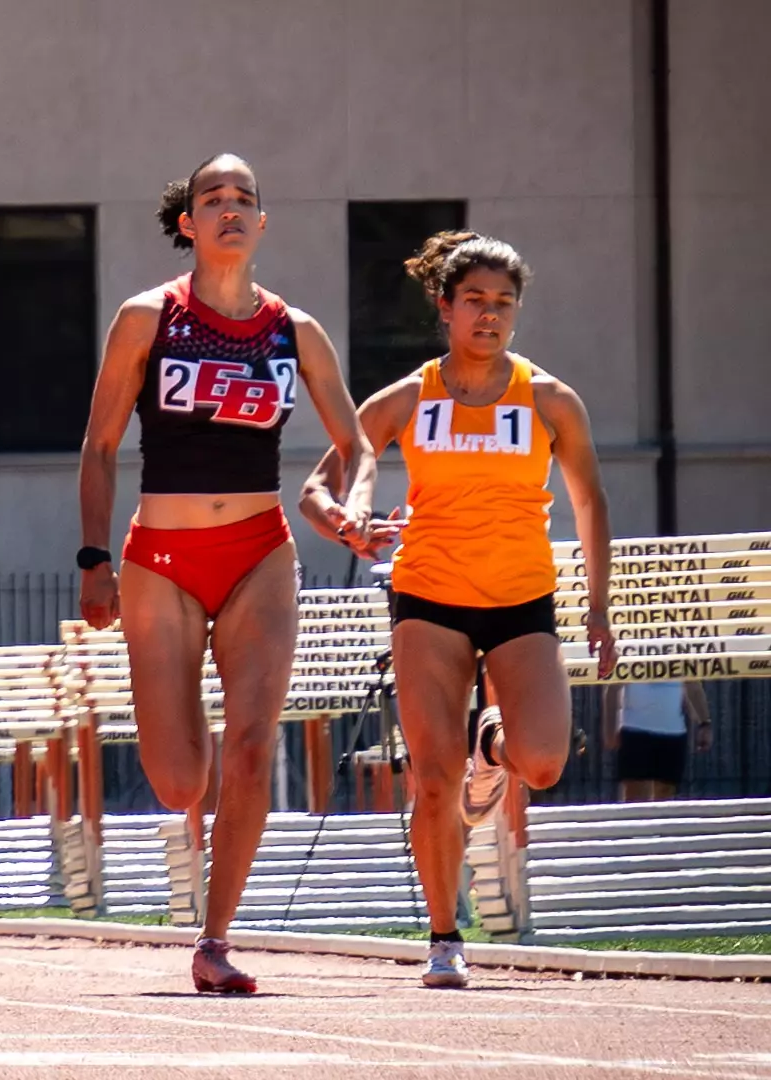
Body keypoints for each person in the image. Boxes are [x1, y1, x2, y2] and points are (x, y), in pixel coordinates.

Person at [77, 154, 377, 993]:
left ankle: (214, 942)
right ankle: (184, 726)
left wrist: (351, 508)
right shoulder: (149, 317)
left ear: (263, 222)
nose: (231, 208)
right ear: (189, 223)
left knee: (251, 746)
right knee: (182, 778)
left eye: (245, 198)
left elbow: (356, 446)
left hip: (260, 554)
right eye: (214, 198)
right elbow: (100, 445)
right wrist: (94, 558)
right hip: (162, 561)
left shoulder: (295, 330)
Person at [301, 230, 616, 989]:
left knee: (542, 762)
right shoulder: (408, 398)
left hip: (520, 599)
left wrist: (599, 608)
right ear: (445, 307)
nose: (489, 314)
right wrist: (346, 522)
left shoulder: (549, 400)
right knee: (434, 782)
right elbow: (316, 490)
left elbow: (590, 503)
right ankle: (445, 937)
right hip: (429, 600)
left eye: (503, 302)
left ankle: (491, 748)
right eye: (474, 299)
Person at [604, 681, 710, 802]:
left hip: (673, 733)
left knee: (666, 796)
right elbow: (612, 689)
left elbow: (694, 688)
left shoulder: (682, 666)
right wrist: (609, 730)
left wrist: (704, 723)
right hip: (635, 731)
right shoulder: (628, 666)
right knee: (635, 797)